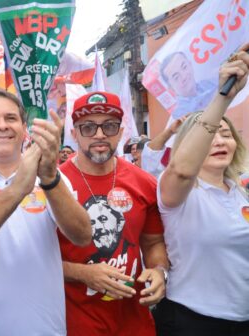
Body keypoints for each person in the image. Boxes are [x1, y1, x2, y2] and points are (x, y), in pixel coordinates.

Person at [0, 89, 91, 335]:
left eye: (10, 119)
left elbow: (82, 235)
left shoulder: (53, 177)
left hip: (43, 328)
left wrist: (50, 179)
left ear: (24, 128)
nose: (2, 126)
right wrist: (18, 188)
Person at [154, 45, 249, 335]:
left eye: (226, 134)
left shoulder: (241, 193)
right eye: (210, 136)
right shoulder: (178, 194)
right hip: (193, 320)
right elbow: (182, 169)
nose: (219, 141)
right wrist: (224, 96)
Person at [59, 91, 169, 335]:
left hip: (134, 321)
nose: (99, 134)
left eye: (109, 126)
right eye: (88, 127)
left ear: (121, 132)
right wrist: (83, 273)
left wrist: (159, 271)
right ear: (74, 133)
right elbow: (35, 261)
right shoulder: (53, 184)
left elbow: (153, 243)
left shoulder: (144, 183)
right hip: (74, 323)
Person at [160, 52, 216, 119]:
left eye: (184, 67)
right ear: (171, 88)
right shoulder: (180, 115)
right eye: (176, 77)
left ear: (190, 64)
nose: (184, 76)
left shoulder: (211, 83)